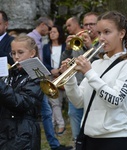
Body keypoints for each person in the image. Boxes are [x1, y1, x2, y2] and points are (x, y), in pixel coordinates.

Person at [60, 10, 127, 150]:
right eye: (99, 33)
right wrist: (69, 77)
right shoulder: (97, 63)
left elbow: (115, 100)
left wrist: (89, 73)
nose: (101, 38)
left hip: (115, 139)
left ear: (121, 34)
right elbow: (79, 101)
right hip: (90, 138)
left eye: (107, 32)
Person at [28, 18, 72, 150]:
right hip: (37, 79)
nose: (49, 32)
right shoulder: (31, 39)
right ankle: (53, 144)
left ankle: (54, 144)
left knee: (47, 113)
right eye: (49, 29)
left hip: (42, 78)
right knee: (46, 112)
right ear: (42, 25)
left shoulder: (39, 40)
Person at [0, 35, 44, 149]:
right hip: (6, 131)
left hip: (24, 135)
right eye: (13, 53)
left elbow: (22, 103)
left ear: (32, 53)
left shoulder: (37, 75)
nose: (16, 57)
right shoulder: (12, 73)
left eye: (20, 52)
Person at [61, 13, 99, 144]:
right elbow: (64, 62)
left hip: (95, 88)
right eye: (86, 24)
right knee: (74, 116)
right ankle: (78, 142)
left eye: (92, 24)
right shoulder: (77, 40)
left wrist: (90, 47)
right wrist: (66, 50)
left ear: (98, 25)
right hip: (77, 86)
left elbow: (104, 62)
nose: (88, 27)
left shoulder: (103, 42)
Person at [42, 25, 66, 135]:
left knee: (59, 101)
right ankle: (60, 125)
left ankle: (53, 123)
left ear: (59, 33)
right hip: (51, 75)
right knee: (54, 101)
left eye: (54, 32)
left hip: (64, 75)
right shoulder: (46, 47)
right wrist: (51, 70)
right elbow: (44, 62)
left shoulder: (65, 46)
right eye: (50, 32)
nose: (52, 33)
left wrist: (60, 71)